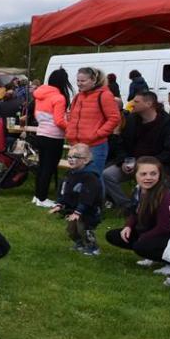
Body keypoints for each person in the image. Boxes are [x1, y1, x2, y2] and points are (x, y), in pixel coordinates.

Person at [103, 90, 170, 208]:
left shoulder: (168, 123)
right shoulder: (131, 120)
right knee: (107, 175)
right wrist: (124, 161)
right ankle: (127, 205)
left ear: (148, 104)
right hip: (132, 164)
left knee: (158, 183)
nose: (131, 104)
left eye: (136, 101)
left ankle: (150, 205)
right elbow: (122, 145)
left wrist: (147, 164)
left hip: (159, 165)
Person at [104, 156, 170, 266]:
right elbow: (135, 211)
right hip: (151, 229)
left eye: (153, 174)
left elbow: (165, 227)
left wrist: (144, 237)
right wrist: (128, 226)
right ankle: (152, 255)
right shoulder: (139, 189)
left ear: (159, 175)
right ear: (135, 175)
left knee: (140, 245)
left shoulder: (164, 194)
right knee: (114, 236)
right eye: (143, 174)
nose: (148, 177)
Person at [48, 143, 103, 256]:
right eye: (69, 156)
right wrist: (59, 204)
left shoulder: (90, 177)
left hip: (89, 211)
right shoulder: (70, 173)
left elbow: (88, 196)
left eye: (75, 157)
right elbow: (64, 191)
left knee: (84, 229)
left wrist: (79, 211)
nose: (71, 159)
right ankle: (79, 244)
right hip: (73, 209)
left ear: (86, 160)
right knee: (71, 230)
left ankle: (93, 248)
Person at [65, 66, 121, 177]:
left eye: (83, 81)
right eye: (78, 81)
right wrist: (69, 131)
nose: (79, 84)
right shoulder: (78, 97)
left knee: (93, 178)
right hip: (76, 145)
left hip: (95, 146)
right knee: (77, 177)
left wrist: (98, 134)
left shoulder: (104, 95)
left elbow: (114, 118)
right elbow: (72, 117)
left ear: (93, 80)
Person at [30, 69, 70, 206]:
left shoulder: (40, 96)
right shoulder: (59, 98)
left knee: (42, 166)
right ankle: (42, 198)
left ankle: (38, 196)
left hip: (41, 133)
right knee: (49, 168)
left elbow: (37, 115)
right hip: (54, 136)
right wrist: (70, 127)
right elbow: (59, 121)